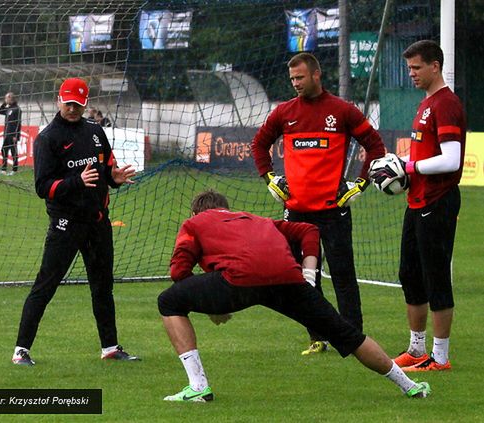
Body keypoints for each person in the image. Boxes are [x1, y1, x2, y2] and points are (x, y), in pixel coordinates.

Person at [158, 190, 430, 402]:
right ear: (226, 208)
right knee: (346, 334)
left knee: (168, 301)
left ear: (196, 211)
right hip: (288, 278)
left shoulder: (195, 222)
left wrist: (210, 305)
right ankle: (410, 386)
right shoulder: (258, 220)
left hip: (239, 279)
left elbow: (179, 271)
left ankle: (198, 387)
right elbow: (308, 230)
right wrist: (309, 275)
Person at [251, 52, 385, 355]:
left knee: (343, 276)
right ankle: (318, 337)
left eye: (300, 77)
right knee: (303, 278)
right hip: (296, 212)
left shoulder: (342, 111)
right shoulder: (284, 112)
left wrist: (360, 184)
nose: (296, 83)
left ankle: (353, 339)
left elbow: (375, 146)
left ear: (316, 75)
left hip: (333, 211)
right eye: (292, 79)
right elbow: (259, 144)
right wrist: (270, 178)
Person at [12, 77, 139, 365]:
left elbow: (106, 169)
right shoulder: (48, 138)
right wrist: (76, 181)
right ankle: (21, 350)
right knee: (46, 285)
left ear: (85, 103)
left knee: (103, 286)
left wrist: (114, 179)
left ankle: (110, 347)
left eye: (78, 104)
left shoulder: (95, 132)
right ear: (59, 100)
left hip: (97, 222)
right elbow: (43, 187)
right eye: (68, 102)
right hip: (66, 223)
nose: (72, 108)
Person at [375, 40, 466, 372]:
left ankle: (440, 358)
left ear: (435, 66)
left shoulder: (447, 104)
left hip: (438, 201)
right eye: (409, 67)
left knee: (435, 276)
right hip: (418, 200)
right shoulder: (426, 103)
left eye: (416, 68)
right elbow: (426, 156)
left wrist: (409, 168)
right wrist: (400, 165)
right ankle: (416, 349)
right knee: (408, 274)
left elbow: (452, 159)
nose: (410, 73)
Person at [0, 92, 22, 175]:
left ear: (11, 98)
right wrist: (5, 103)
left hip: (12, 134)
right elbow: (0, 111)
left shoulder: (17, 109)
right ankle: (3, 169)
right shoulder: (9, 109)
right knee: (4, 150)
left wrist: (16, 135)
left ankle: (14, 169)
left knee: (13, 151)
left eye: (6, 98)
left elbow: (18, 123)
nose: (5, 100)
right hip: (7, 134)